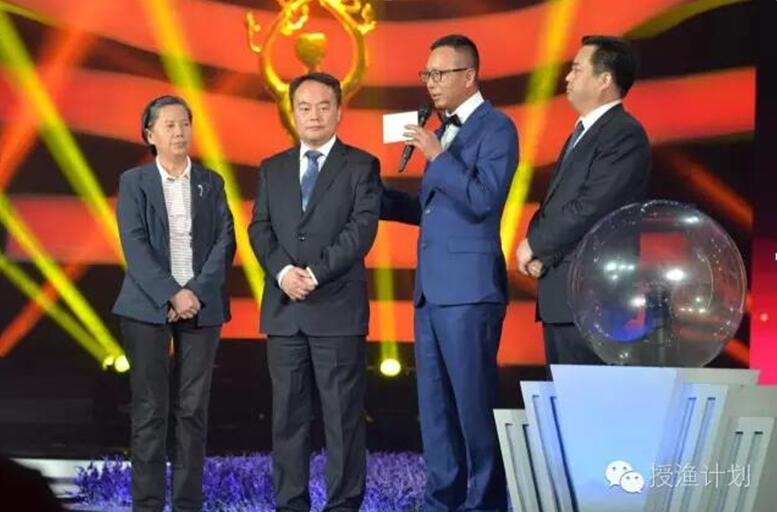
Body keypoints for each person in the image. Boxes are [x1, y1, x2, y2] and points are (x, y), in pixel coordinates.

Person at [381, 34, 519, 511]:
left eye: (440, 74)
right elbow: (435, 208)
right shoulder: (445, 131)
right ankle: (441, 499)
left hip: (469, 291)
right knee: (435, 407)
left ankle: (485, 502)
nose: (431, 83)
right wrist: (380, 199)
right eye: (427, 74)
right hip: (431, 292)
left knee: (473, 404)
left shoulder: (497, 128)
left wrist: (438, 156)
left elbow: (483, 199)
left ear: (469, 75)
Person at [248, 72, 381, 512]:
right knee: (287, 418)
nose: (314, 116)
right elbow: (260, 228)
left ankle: (343, 505)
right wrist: (284, 272)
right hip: (284, 310)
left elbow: (361, 230)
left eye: (323, 106)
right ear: (292, 113)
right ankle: (291, 504)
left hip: (337, 309)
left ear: (339, 111)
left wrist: (315, 274)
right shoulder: (272, 168)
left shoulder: (361, 166)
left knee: (343, 419)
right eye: (304, 107)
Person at [113, 95, 236, 512]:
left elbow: (225, 241)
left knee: (192, 411)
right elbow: (135, 244)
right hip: (147, 306)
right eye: (169, 125)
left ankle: (187, 503)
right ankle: (147, 504)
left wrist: (194, 293)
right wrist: (172, 292)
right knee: (150, 410)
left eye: (185, 123)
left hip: (202, 306)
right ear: (150, 135)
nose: (179, 132)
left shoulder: (211, 182)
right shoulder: (135, 182)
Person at [517, 35, 651, 365]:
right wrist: (542, 251)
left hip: (593, 295)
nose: (567, 77)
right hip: (564, 293)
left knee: (587, 393)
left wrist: (536, 245)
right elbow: (558, 202)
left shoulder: (623, 133)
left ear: (604, 80)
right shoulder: (585, 131)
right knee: (563, 392)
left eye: (577, 69)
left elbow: (592, 206)